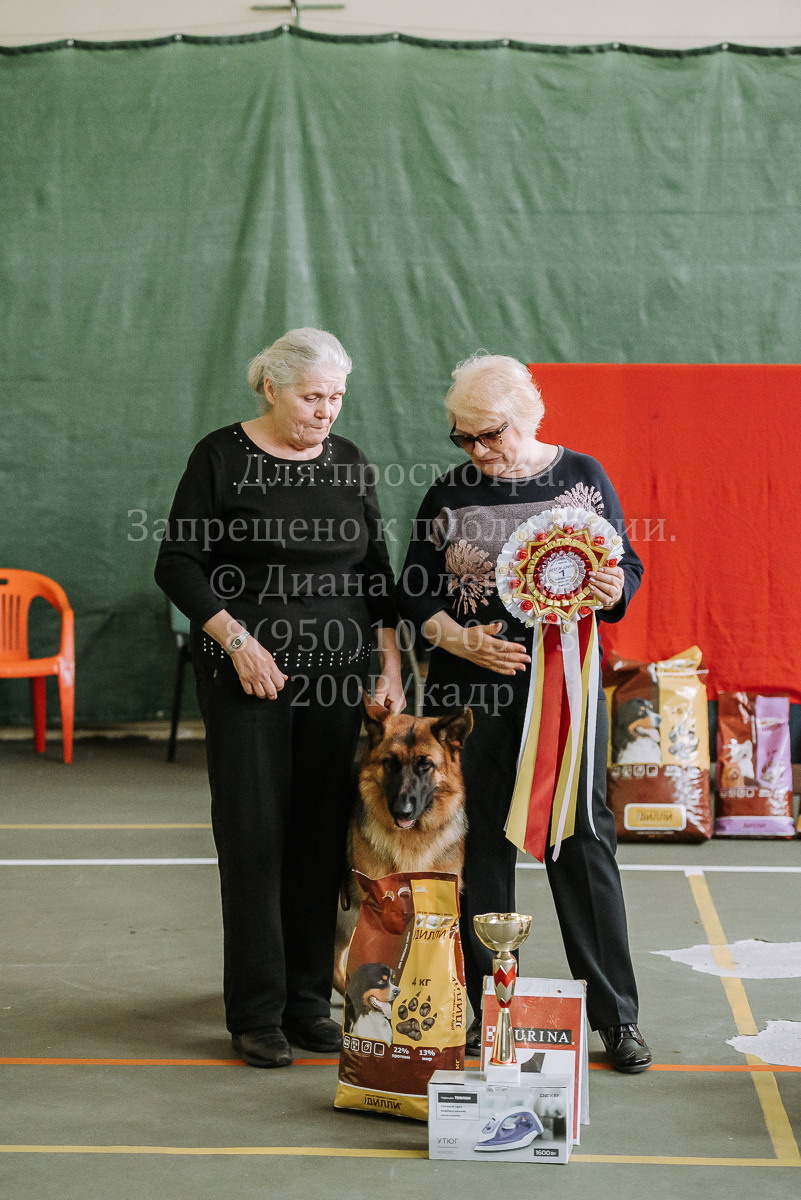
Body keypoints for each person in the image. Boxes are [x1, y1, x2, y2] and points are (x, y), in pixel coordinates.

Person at [155, 328, 405, 1068]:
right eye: (311, 396)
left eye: (336, 398)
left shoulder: (348, 461)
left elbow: (376, 574)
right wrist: (237, 641)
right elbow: (178, 563)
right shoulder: (220, 456)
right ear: (270, 387)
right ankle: (256, 1011)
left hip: (337, 675)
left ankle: (307, 1002)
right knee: (254, 837)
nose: (325, 411)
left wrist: (389, 666)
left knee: (319, 838)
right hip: (248, 675)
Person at [398, 352, 651, 1073]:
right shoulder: (448, 493)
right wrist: (457, 638)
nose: (478, 450)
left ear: (529, 415)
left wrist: (611, 587)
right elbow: (412, 590)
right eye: (463, 436)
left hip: (565, 691)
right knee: (477, 845)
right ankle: (487, 1014)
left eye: (491, 433)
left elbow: (626, 568)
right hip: (466, 699)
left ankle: (617, 1019)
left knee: (583, 840)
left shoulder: (582, 477)